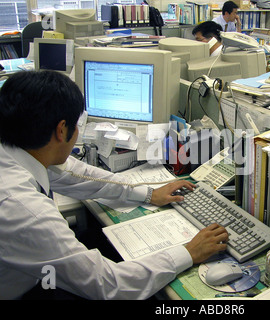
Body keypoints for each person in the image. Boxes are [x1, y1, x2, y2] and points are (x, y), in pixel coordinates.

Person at [0, 70, 229, 300]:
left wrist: (149, 194)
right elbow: (108, 285)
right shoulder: (24, 209)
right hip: (26, 290)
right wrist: (188, 252)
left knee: (94, 237)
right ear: (61, 130)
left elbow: (78, 174)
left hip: (27, 274)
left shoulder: (20, 152)